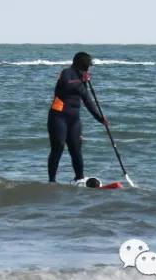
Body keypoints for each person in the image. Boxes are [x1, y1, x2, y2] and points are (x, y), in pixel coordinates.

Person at [47, 51, 109, 184]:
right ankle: (52, 181)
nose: (90, 67)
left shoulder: (82, 80)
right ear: (83, 64)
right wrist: (82, 79)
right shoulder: (67, 73)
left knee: (76, 148)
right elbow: (67, 84)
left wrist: (100, 118)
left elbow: (88, 101)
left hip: (74, 120)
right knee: (58, 146)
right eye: (89, 65)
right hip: (58, 117)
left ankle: (79, 179)